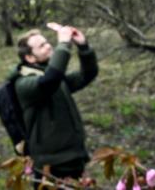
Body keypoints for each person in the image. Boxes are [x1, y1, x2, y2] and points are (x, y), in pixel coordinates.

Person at [11, 23, 98, 186]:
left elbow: (87, 74)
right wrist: (64, 44)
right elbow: (49, 80)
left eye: (47, 42)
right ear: (29, 58)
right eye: (42, 46)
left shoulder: (55, 77)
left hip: (73, 157)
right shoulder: (24, 83)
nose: (49, 46)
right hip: (51, 164)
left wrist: (83, 46)